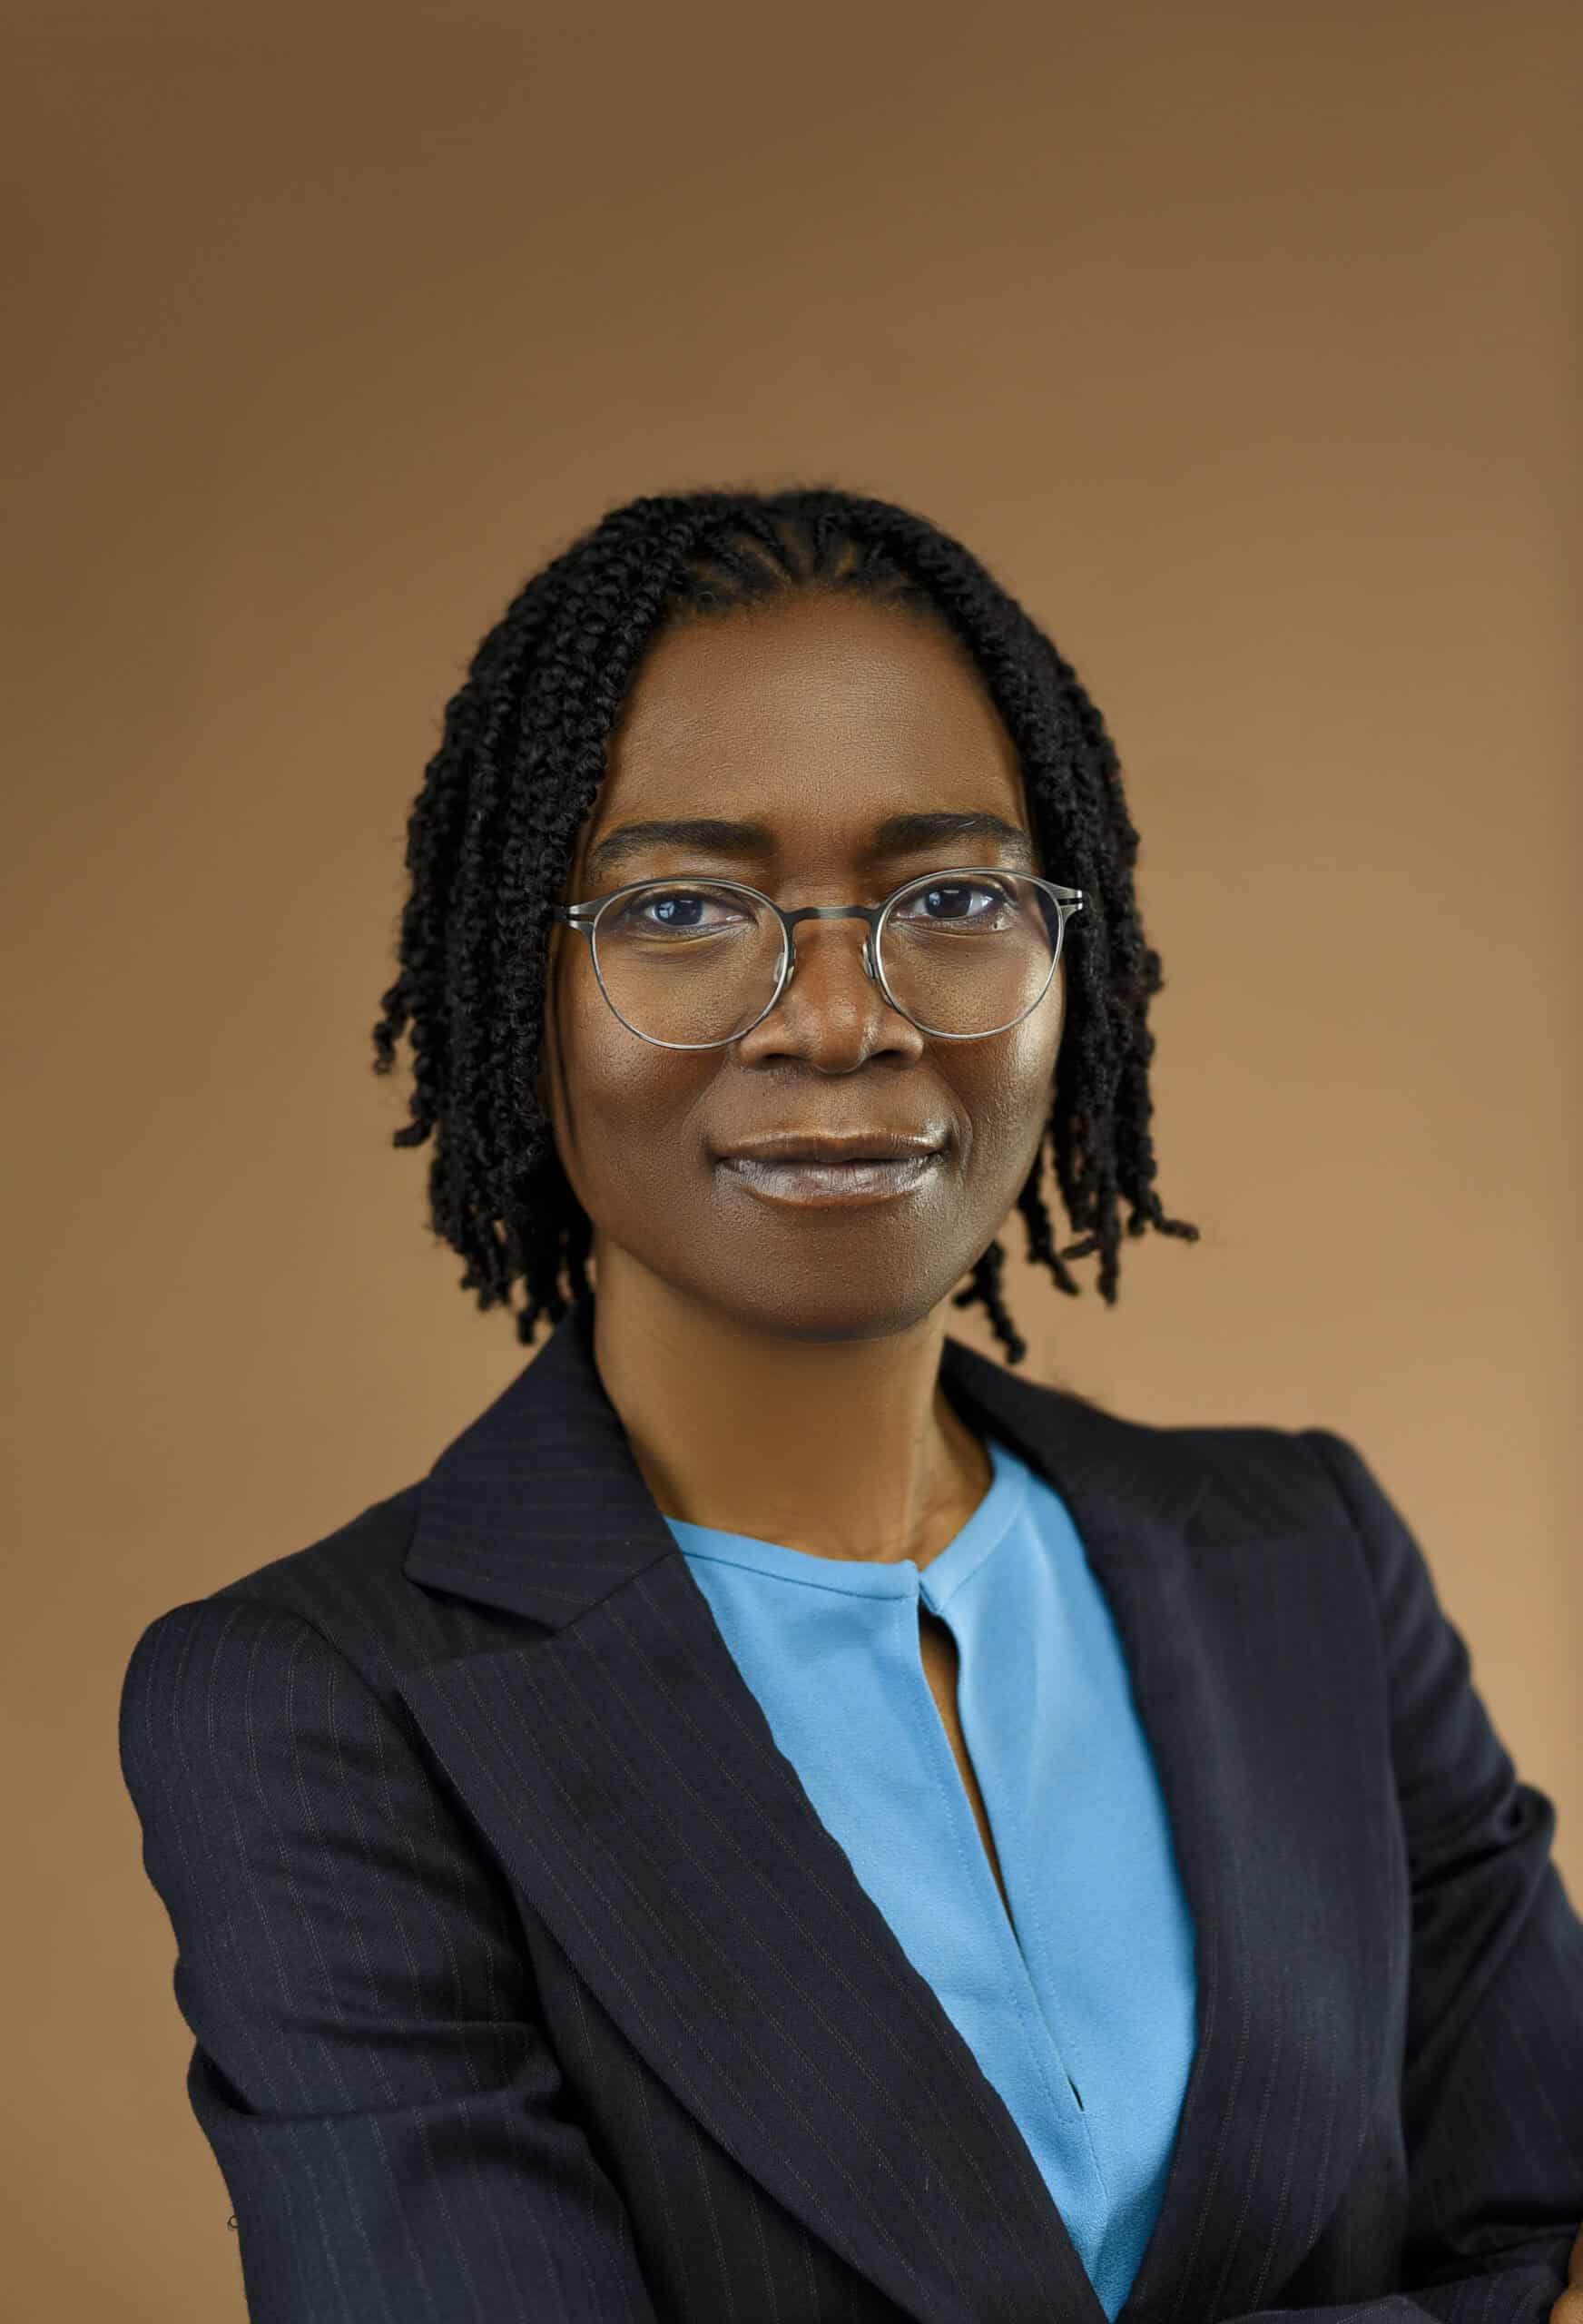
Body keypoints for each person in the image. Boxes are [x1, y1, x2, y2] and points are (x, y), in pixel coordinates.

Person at [119, 486, 1583, 2324]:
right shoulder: (316, 1701)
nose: (836, 1018)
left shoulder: (1308, 1555)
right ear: (518, 983)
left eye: (950, 898)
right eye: (680, 906)